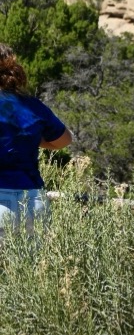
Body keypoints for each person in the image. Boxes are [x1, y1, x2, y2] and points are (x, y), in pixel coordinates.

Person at [0, 43, 71, 238]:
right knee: (31, 268)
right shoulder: (32, 105)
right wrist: (31, 138)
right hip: (33, 200)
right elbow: (64, 140)